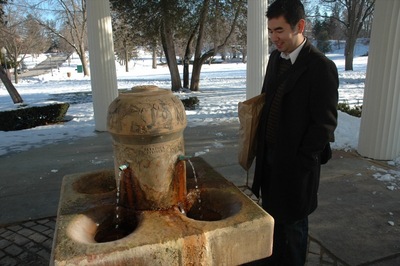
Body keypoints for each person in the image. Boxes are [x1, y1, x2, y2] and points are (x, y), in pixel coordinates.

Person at [251, 0, 339, 265]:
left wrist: (302, 162)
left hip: (297, 165)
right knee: (273, 220)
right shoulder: (276, 59)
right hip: (270, 160)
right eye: (270, 31)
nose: (274, 38)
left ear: (299, 26)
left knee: (294, 227)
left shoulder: (320, 67)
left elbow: (324, 125)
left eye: (279, 30)